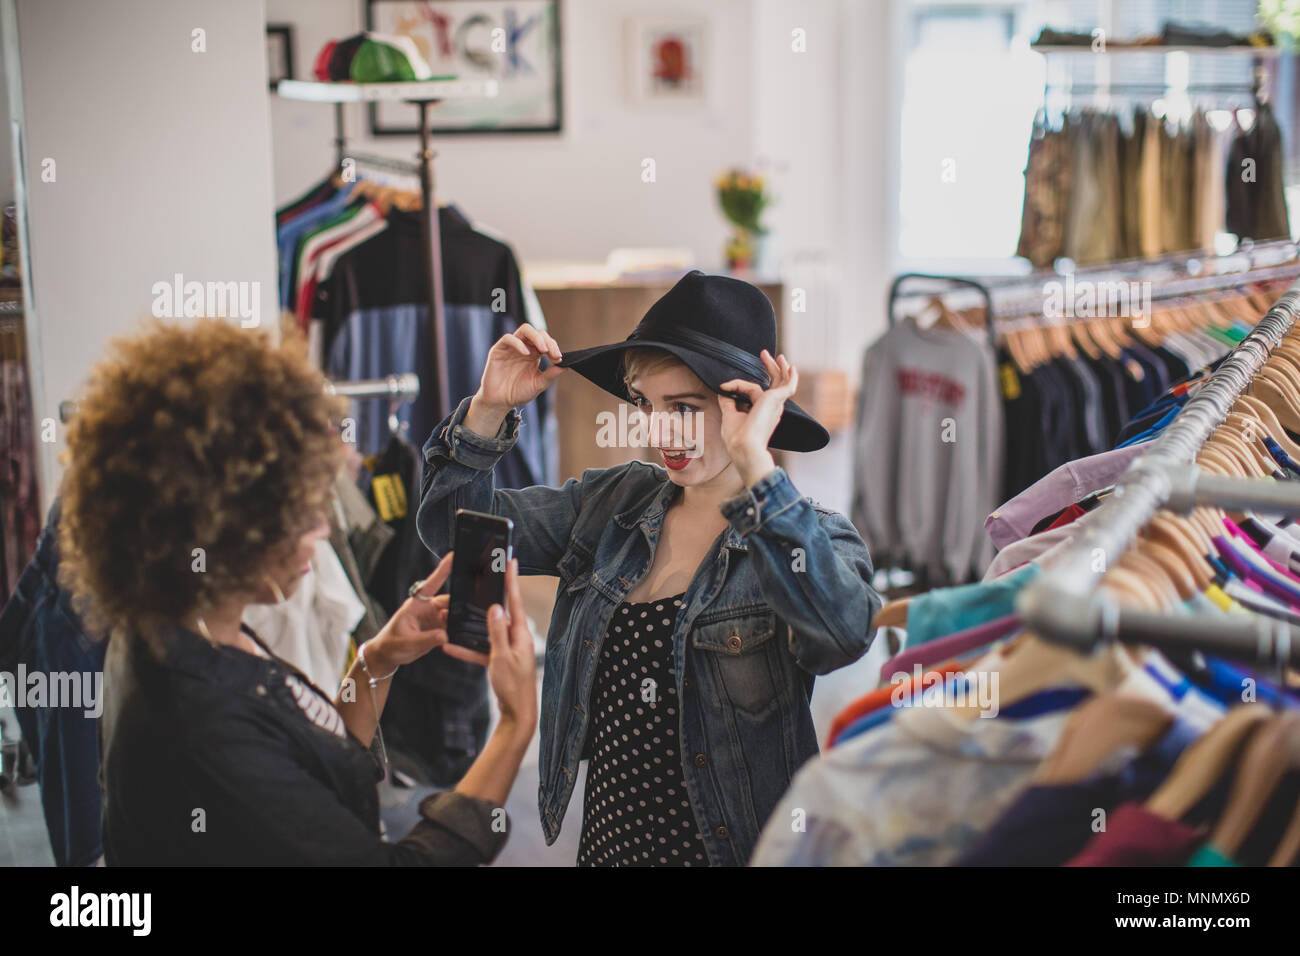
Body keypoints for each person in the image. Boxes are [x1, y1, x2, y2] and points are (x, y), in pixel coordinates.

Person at [418, 270, 882, 866]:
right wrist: (486, 411)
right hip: (611, 849)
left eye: (683, 408)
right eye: (646, 405)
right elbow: (457, 531)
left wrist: (757, 466)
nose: (660, 431)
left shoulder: (810, 534)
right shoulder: (610, 506)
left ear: (747, 405)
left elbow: (843, 635)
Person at [57, 319, 537, 865]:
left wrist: (375, 662)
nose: (322, 528)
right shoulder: (203, 723)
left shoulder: (179, 632)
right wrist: (516, 724)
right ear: (227, 526)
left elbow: (312, 771)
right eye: (302, 510)